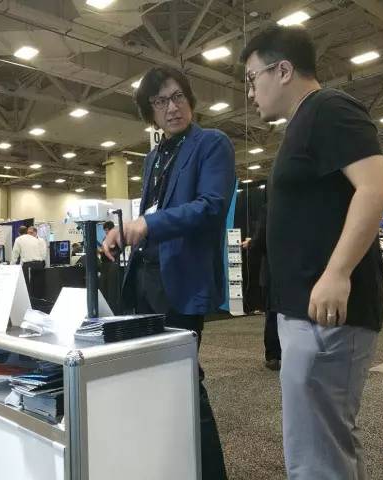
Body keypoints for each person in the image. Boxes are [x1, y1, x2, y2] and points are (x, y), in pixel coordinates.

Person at [241, 26, 383, 480]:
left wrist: (337, 272)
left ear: (283, 70)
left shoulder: (329, 109)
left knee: (319, 455)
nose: (250, 92)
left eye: (252, 78)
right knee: (321, 446)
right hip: (306, 311)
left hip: (327, 314)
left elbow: (376, 186)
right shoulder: (305, 122)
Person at [101, 65, 235, 479]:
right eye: (160, 102)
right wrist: (123, 234)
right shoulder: (155, 156)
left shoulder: (212, 143)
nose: (171, 107)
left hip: (179, 282)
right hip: (144, 279)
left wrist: (147, 224)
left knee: (184, 382)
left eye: (177, 97)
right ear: (151, 112)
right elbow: (152, 214)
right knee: (149, 378)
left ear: (190, 100)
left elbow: (211, 207)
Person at [242, 205, 281, 370]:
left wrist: (251, 243)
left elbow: (261, 237)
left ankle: (273, 356)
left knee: (273, 312)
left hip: (274, 268)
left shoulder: (272, 206)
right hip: (299, 269)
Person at [12, 225, 44, 294]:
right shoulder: (35, 239)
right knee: (38, 286)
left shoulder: (18, 239)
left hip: (29, 266)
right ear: (26, 231)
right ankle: (37, 300)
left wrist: (12, 265)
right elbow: (42, 253)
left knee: (28, 287)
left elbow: (15, 254)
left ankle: (30, 300)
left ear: (18, 233)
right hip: (39, 265)